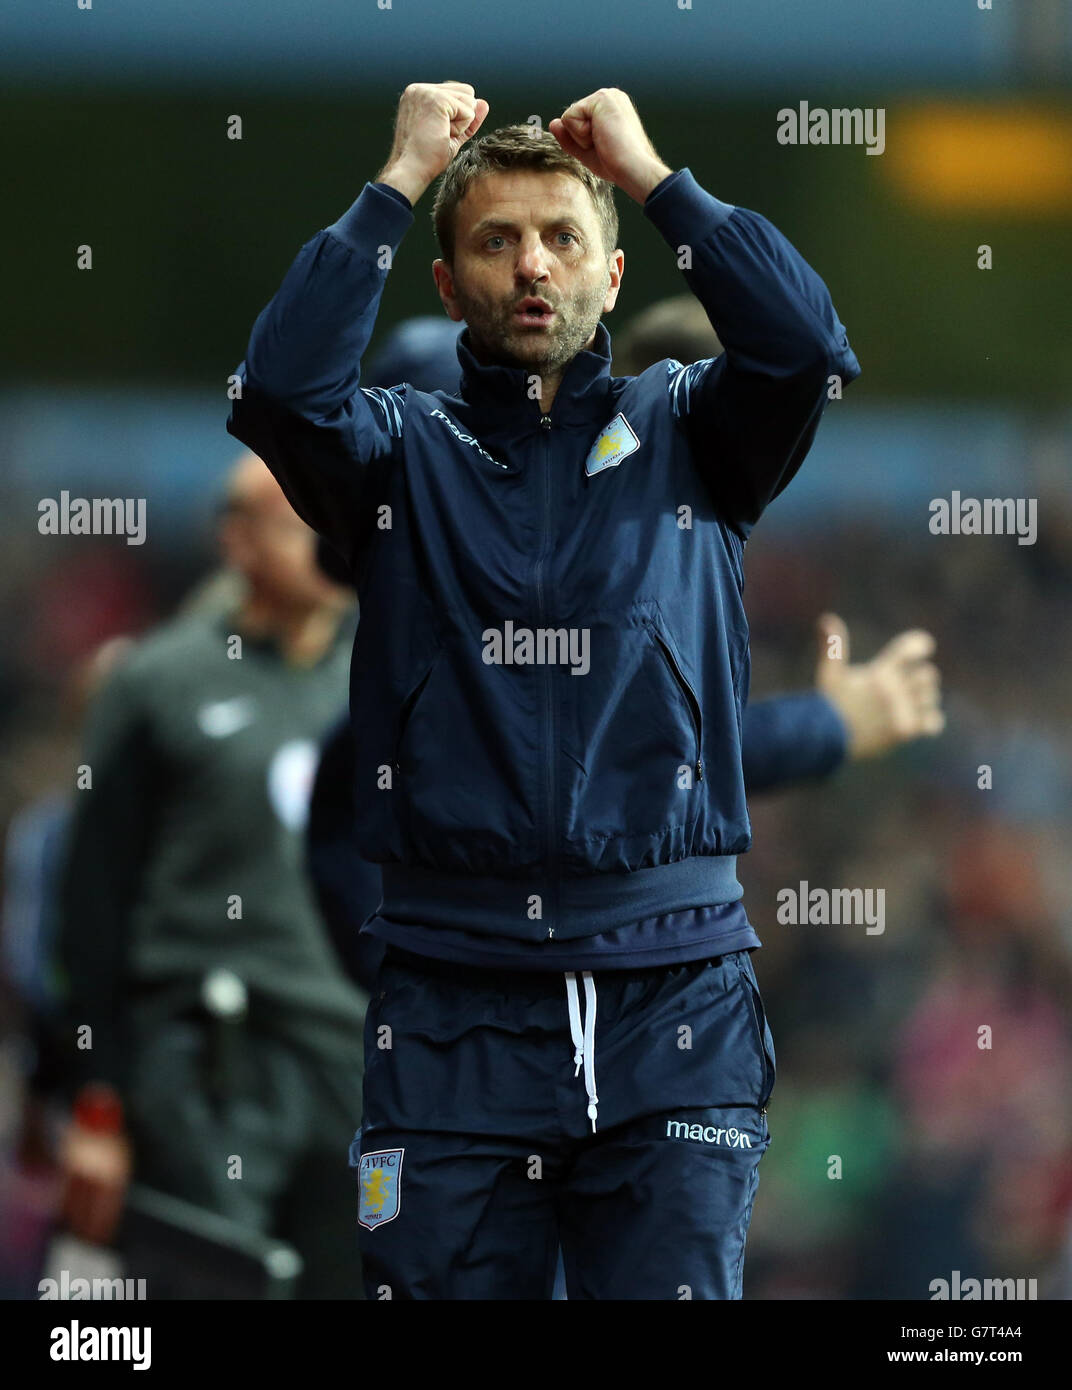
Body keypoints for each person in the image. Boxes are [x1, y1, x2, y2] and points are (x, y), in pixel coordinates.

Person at [226, 81, 862, 1299]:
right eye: (495, 241)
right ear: (446, 283)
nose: (533, 267)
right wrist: (396, 181)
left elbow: (800, 348)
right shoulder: (394, 455)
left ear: (612, 280)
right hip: (451, 1013)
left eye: (564, 238)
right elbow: (281, 393)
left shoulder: (694, 433)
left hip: (673, 1000)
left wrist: (654, 178)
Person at [55, 453, 369, 1299]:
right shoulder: (157, 682)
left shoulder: (390, 675)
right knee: (215, 1285)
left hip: (353, 1058)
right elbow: (91, 901)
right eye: (299, 518)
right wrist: (95, 1102)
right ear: (238, 540)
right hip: (207, 1057)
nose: (328, 539)